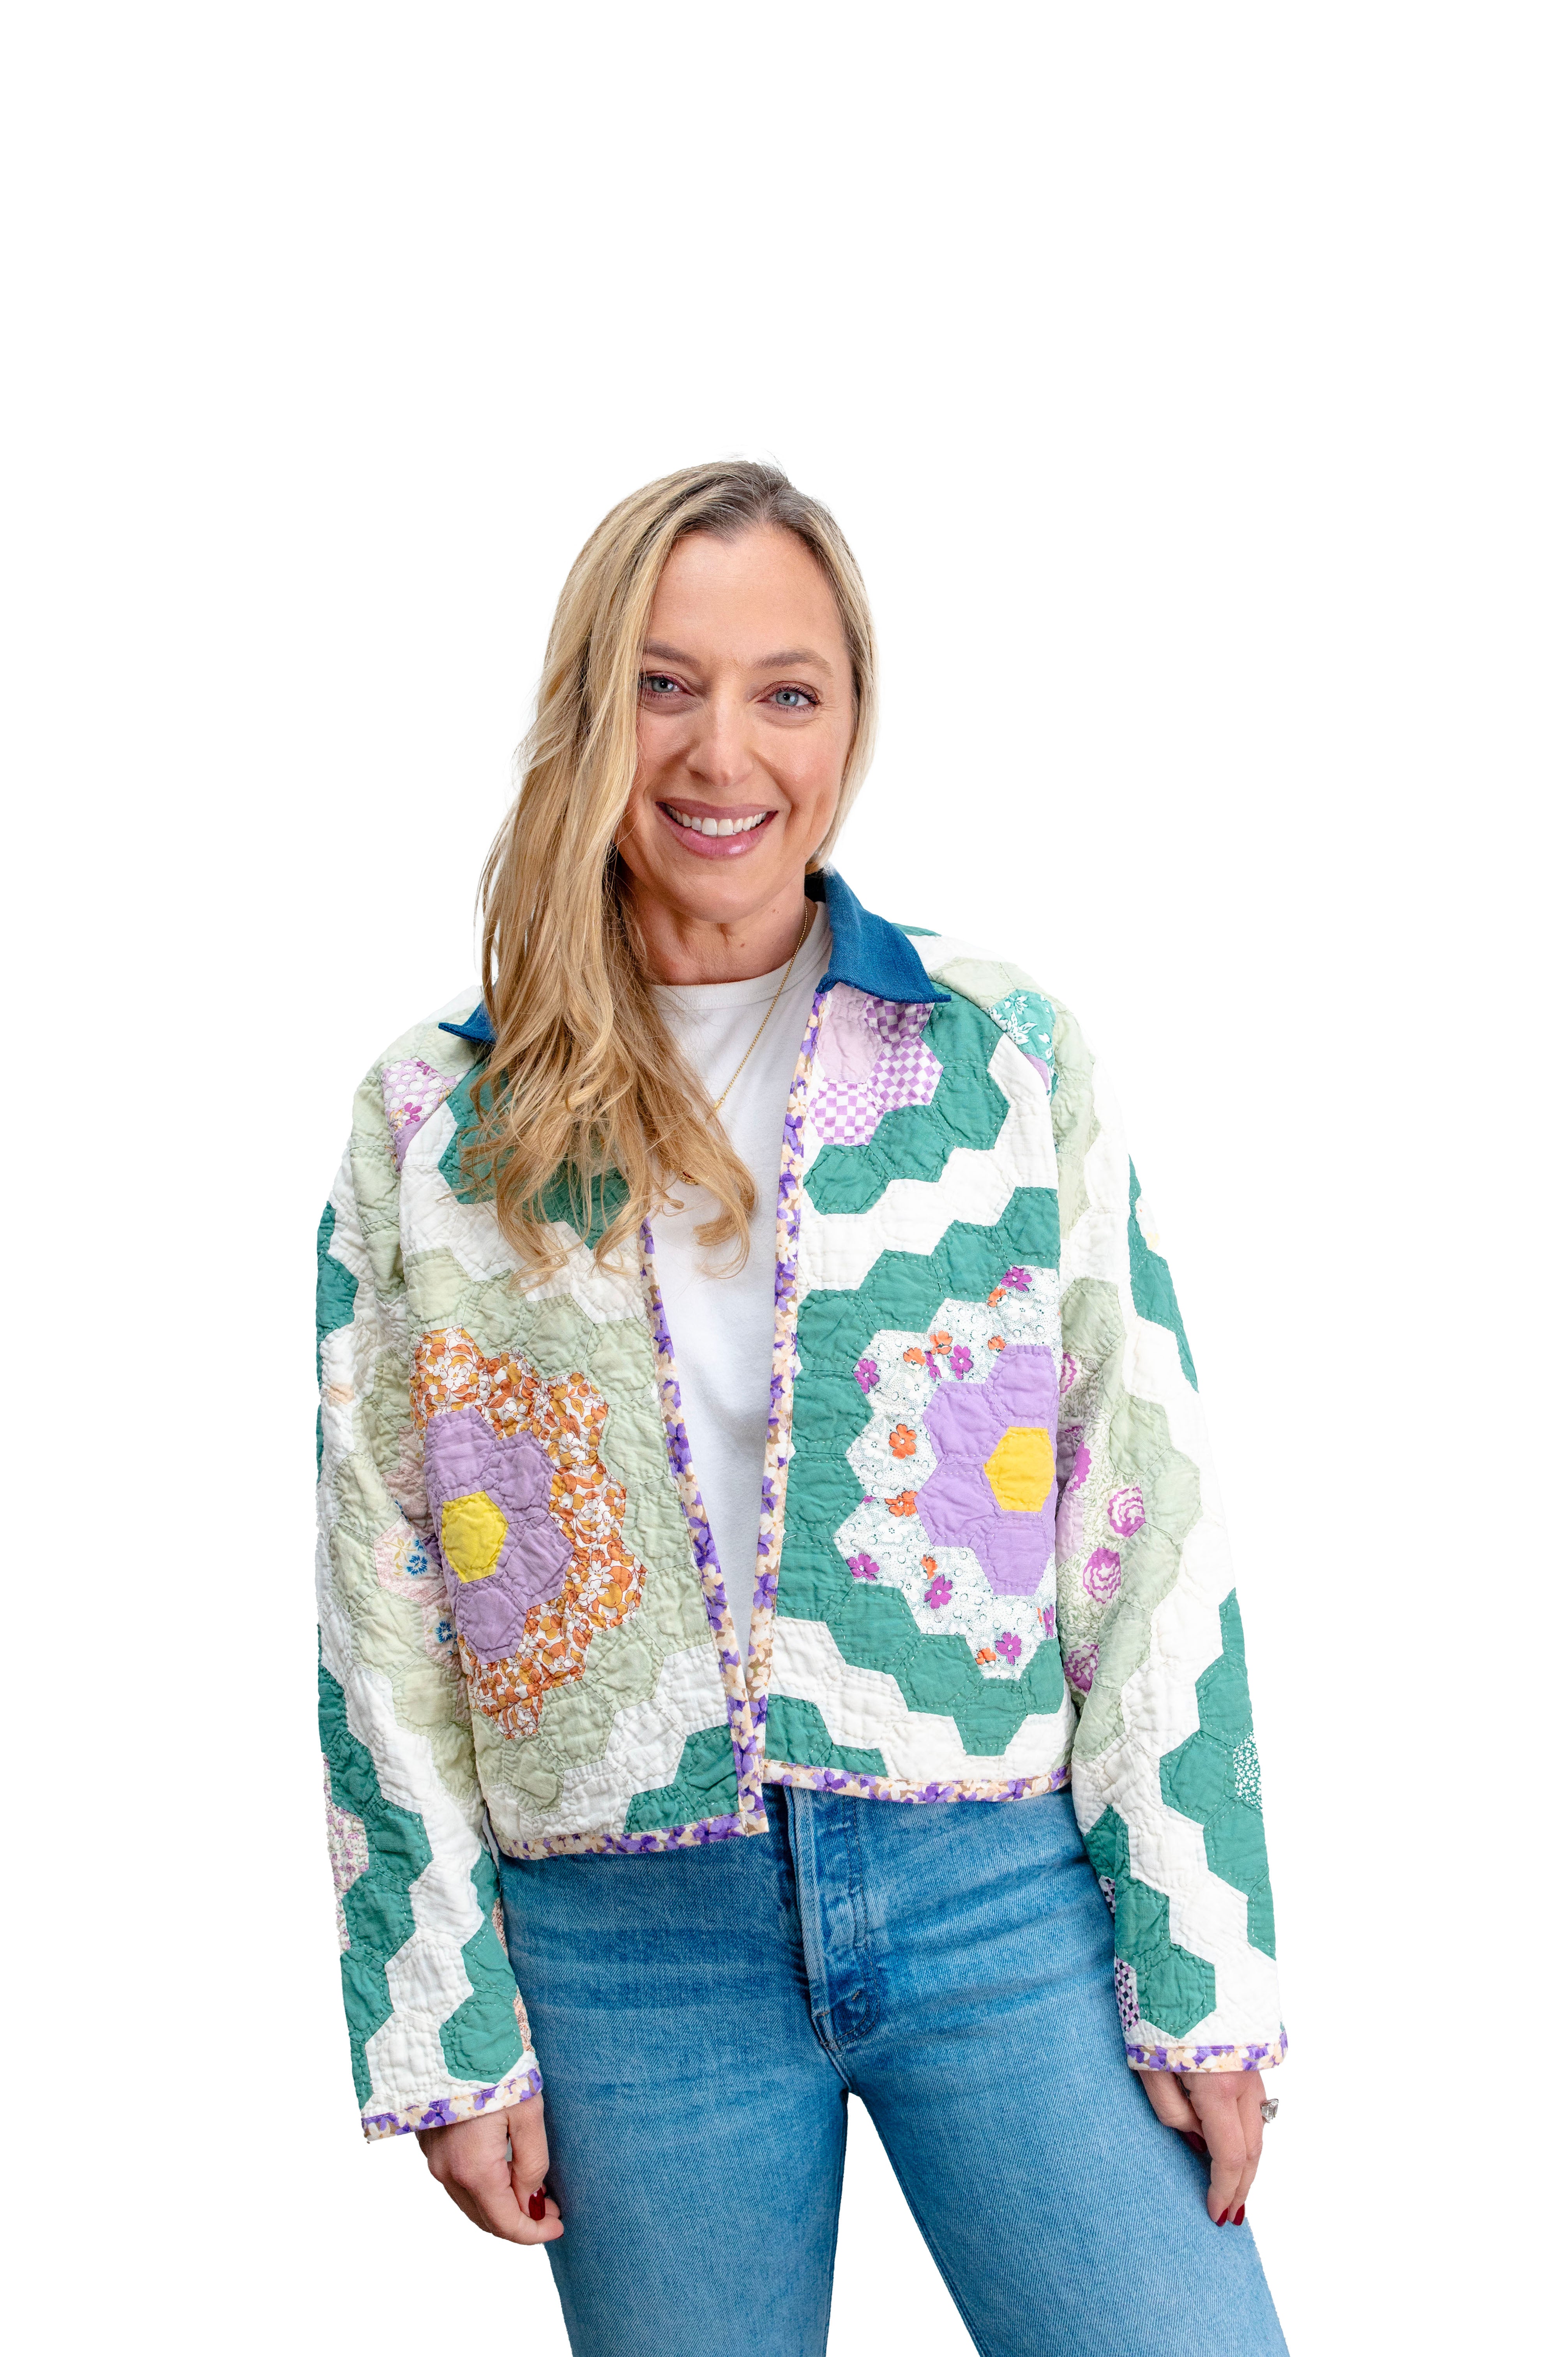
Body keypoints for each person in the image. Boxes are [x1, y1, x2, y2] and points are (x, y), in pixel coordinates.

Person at [316, 460, 1288, 2355]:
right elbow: (382, 1592)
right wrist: (440, 2019)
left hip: (996, 1896)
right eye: (664, 686)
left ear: (849, 721)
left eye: (786, 691)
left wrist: (1202, 1959)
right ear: (589, 713)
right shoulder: (436, 1120)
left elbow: (1143, 1511)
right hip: (624, 1956)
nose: (723, 752)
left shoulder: (992, 1057)